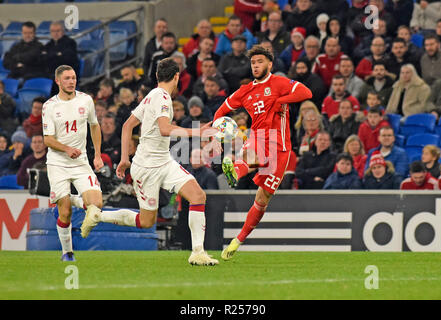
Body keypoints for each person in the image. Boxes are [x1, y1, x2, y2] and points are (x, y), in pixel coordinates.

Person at [211, 45, 312, 260]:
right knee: (251, 156)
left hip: (280, 146)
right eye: (253, 63)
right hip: (257, 138)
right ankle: (234, 173)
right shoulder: (245, 91)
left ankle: (237, 240)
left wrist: (280, 101)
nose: (255, 66)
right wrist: (217, 134)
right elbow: (221, 110)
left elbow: (306, 92)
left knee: (262, 199)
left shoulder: (280, 83)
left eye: (259, 62)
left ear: (269, 64)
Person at [114, 57, 219, 266]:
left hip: (163, 161)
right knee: (147, 221)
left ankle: (198, 252)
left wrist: (125, 158)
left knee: (198, 195)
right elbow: (165, 129)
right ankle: (99, 216)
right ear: (177, 76)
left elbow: (127, 126)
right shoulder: (161, 97)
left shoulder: (152, 95)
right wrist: (197, 131)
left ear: (156, 76)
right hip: (146, 167)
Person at [42, 65, 105, 261]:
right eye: (67, 78)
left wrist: (97, 154)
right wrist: (67, 149)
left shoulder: (86, 100)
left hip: (81, 161)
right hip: (58, 163)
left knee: (97, 204)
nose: (71, 81)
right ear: (58, 81)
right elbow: (48, 139)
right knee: (65, 212)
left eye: (74, 78)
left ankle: (74, 198)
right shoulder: (49, 106)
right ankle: (67, 253)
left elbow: (94, 126)